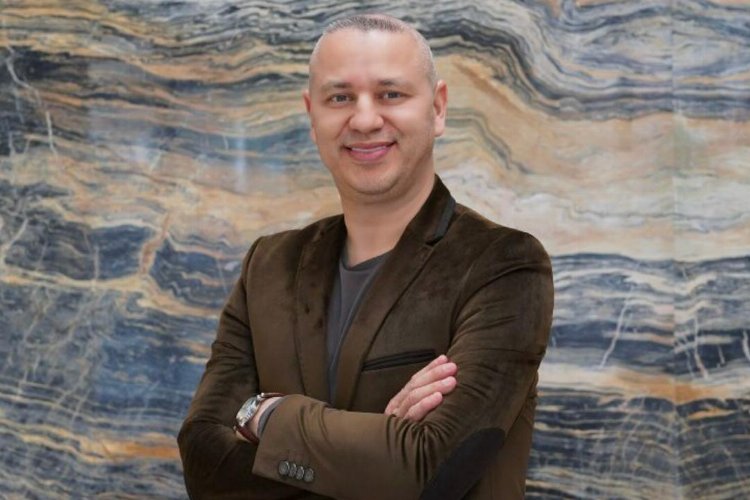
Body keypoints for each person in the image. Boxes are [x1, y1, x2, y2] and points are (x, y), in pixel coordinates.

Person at [178, 13, 553, 500]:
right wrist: (376, 451)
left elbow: (428, 470)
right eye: (340, 98)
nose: (365, 119)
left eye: (390, 94)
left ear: (437, 108)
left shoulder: (504, 266)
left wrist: (266, 415)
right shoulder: (268, 266)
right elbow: (203, 462)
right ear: (312, 115)